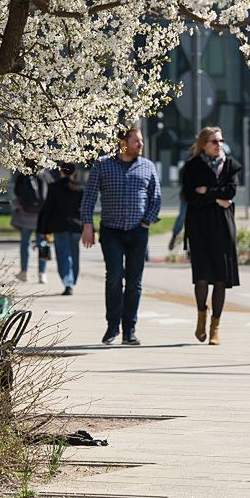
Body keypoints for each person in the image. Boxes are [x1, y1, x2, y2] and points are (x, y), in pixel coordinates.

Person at [81, 128, 161, 345]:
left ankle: (130, 330)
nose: (140, 145)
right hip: (111, 231)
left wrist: (146, 222)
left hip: (138, 231)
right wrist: (87, 224)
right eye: (136, 141)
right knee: (115, 276)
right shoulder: (103, 164)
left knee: (134, 282)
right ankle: (112, 327)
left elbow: (156, 199)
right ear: (122, 142)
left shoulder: (148, 167)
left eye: (141, 141)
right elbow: (89, 197)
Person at [181, 126, 242, 346]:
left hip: (223, 227)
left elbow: (231, 193)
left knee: (220, 278)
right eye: (214, 141)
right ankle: (201, 316)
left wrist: (207, 192)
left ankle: (215, 326)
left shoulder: (230, 166)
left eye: (221, 141)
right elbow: (189, 196)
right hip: (199, 228)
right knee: (202, 276)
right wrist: (216, 198)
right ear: (204, 144)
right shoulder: (192, 167)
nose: (219, 145)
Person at [38, 163, 84, 296]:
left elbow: (48, 210)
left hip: (59, 226)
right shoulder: (80, 188)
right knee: (74, 255)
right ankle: (72, 279)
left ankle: (67, 282)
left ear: (61, 171)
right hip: (76, 226)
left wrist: (43, 229)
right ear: (74, 172)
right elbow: (85, 209)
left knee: (62, 255)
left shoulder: (54, 188)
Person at [12, 166, 50, 283]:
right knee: (42, 243)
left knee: (25, 244)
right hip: (40, 216)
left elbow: (16, 192)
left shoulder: (22, 175)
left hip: (25, 216)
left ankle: (24, 272)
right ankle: (42, 273)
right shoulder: (44, 174)